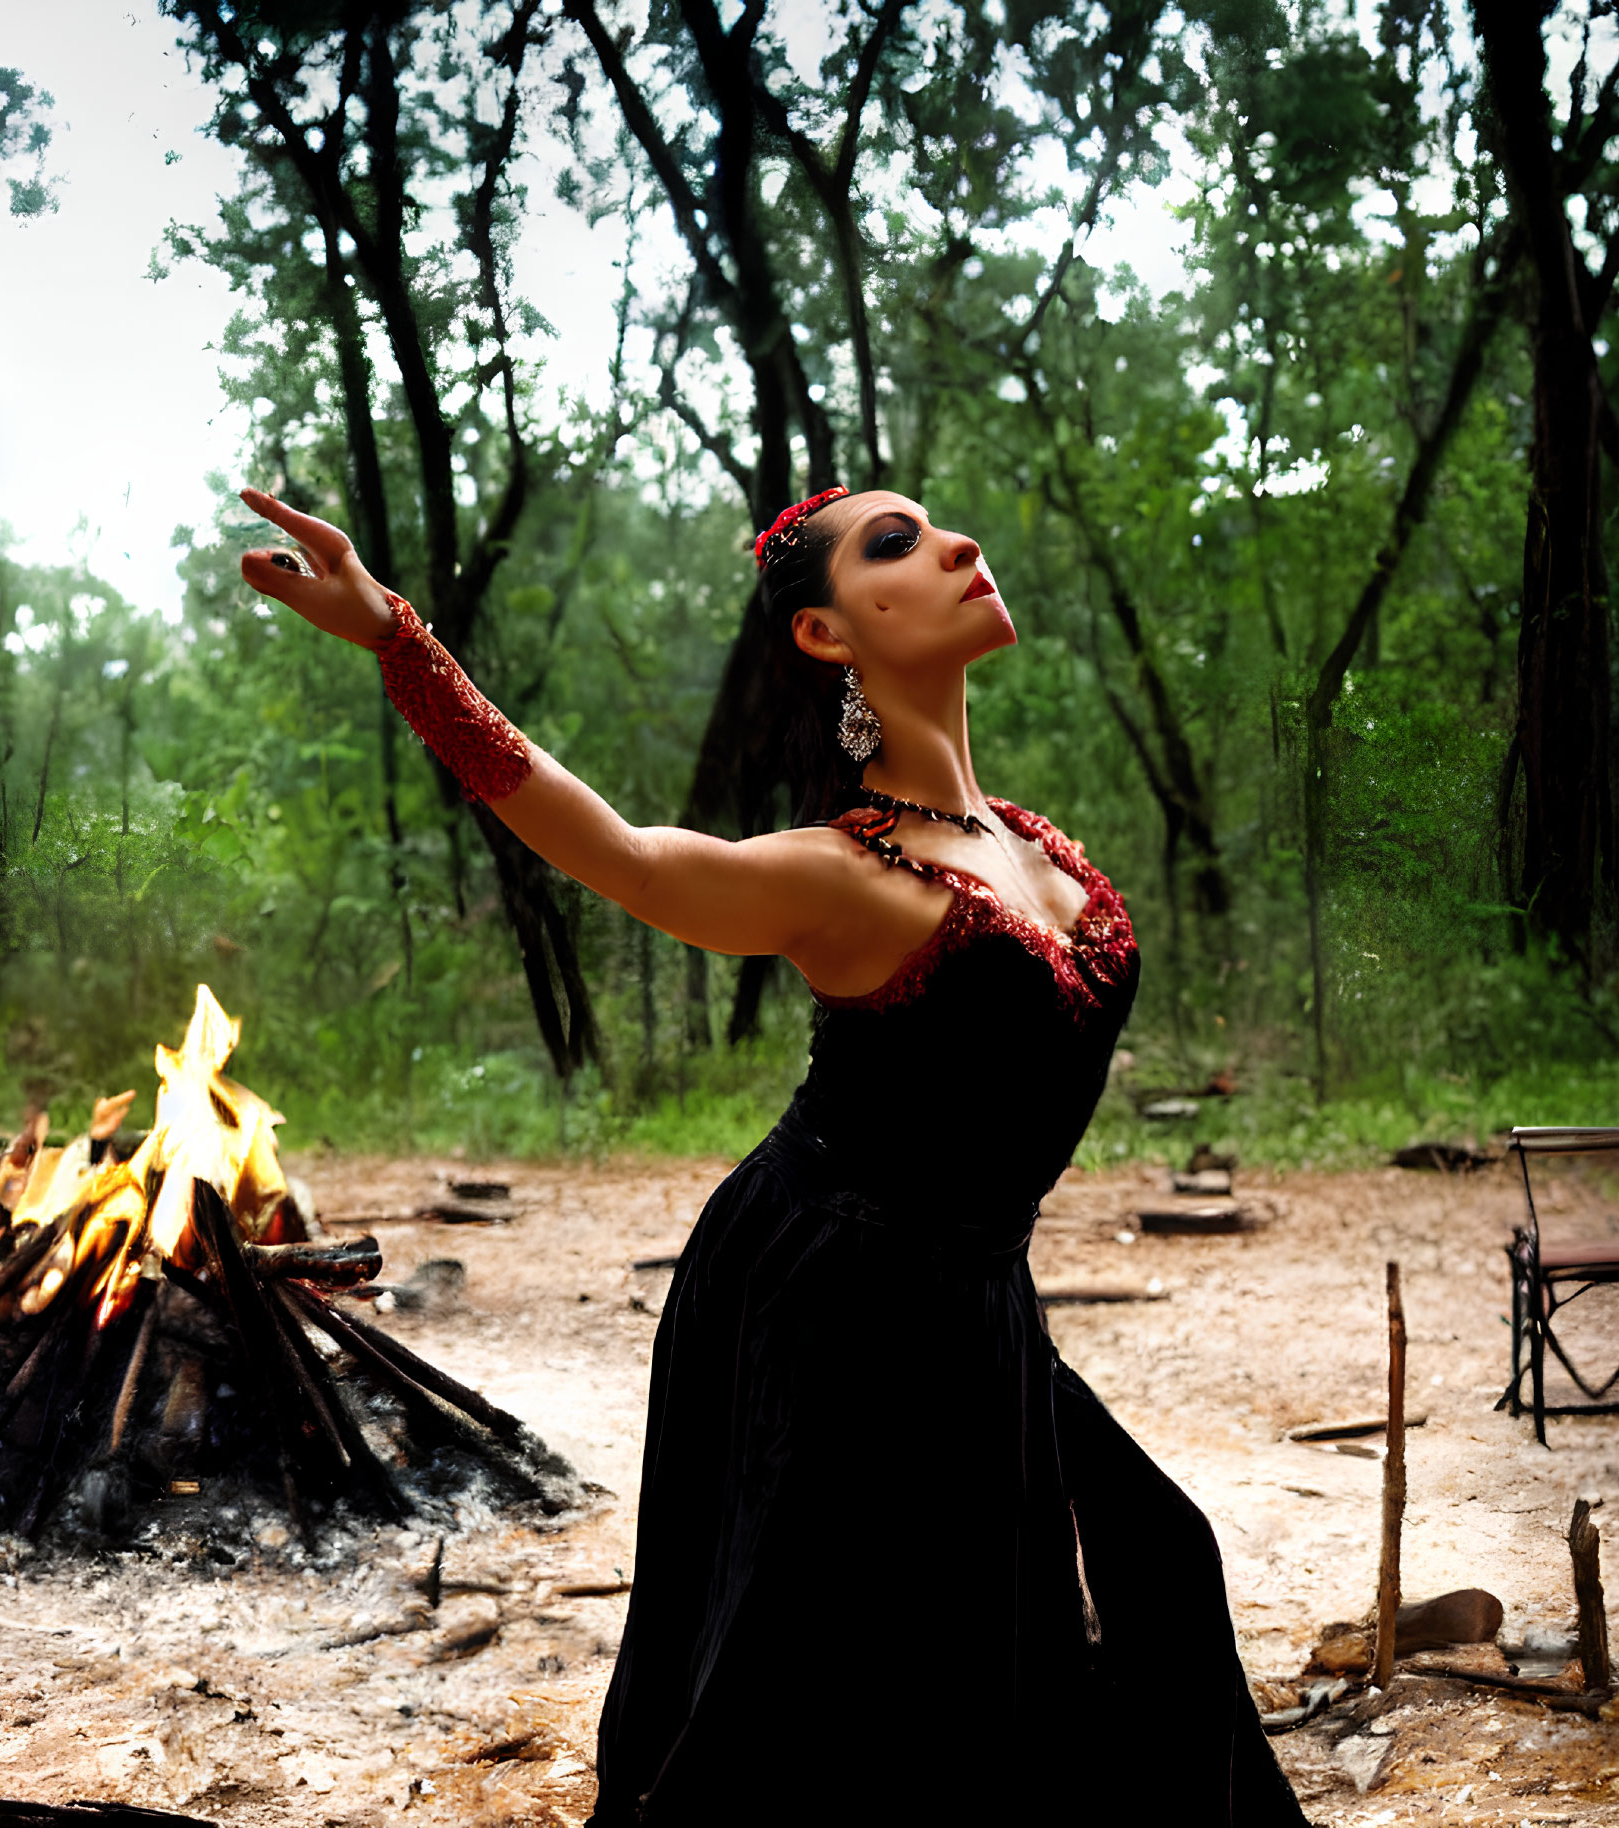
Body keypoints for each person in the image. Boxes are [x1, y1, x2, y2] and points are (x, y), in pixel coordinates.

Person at [235, 482, 1308, 1825]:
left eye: (939, 527)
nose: (957, 546)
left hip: (976, 1295)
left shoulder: (1028, 850)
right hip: (831, 1285)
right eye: (894, 544)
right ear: (825, 635)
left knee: (1148, 1562)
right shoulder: (835, 873)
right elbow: (616, 851)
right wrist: (403, 640)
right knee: (819, 1681)